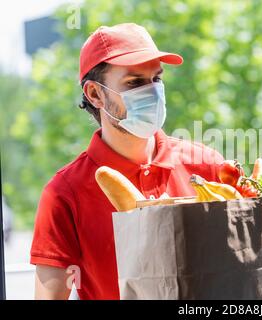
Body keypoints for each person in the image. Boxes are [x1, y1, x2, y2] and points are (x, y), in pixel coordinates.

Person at [30, 23, 224, 300]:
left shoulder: (207, 166)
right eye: (134, 83)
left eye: (157, 79)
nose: (153, 92)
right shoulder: (65, 193)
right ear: (95, 94)